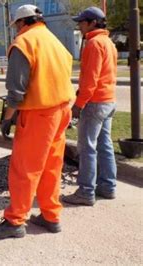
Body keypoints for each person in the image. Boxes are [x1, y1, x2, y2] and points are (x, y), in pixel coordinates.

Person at [0, 4, 75, 239]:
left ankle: (15, 222)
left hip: (38, 115)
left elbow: (16, 92)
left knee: (25, 168)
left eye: (16, 26)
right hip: (61, 111)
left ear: (22, 23)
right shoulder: (55, 41)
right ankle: (51, 216)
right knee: (51, 166)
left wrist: (7, 118)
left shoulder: (23, 43)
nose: (16, 31)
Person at [62, 7, 117, 206]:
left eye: (82, 22)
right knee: (105, 146)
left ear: (93, 23)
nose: (80, 25)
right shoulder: (108, 42)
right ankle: (108, 186)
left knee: (87, 148)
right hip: (108, 101)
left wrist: (78, 105)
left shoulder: (93, 44)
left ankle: (86, 192)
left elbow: (90, 81)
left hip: (94, 103)